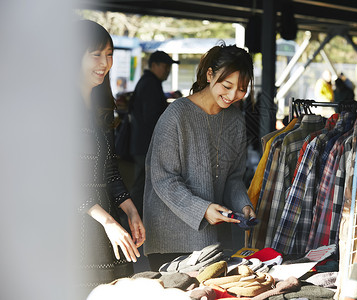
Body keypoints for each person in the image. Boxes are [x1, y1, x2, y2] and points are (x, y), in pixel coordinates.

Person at [142, 43, 257, 271]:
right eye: (227, 85)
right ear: (210, 74)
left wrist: (243, 205)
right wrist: (202, 210)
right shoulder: (176, 115)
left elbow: (233, 177)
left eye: (242, 89)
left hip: (213, 241)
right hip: (170, 240)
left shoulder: (235, 119)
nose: (233, 95)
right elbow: (164, 180)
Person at [76, 19, 146, 297]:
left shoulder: (100, 107)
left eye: (109, 54)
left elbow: (110, 171)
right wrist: (107, 221)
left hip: (105, 227)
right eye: (96, 54)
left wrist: (130, 211)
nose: (105, 63)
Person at [129, 50, 179, 218]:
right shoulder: (150, 84)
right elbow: (151, 117)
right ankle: (132, 218)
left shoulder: (149, 82)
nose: (167, 71)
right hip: (145, 144)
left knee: (143, 184)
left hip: (143, 143)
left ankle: (133, 217)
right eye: (165, 66)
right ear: (154, 65)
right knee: (143, 185)